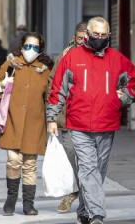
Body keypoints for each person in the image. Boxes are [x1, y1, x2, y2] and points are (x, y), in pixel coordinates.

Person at [46, 17, 135, 224]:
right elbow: (57, 90)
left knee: (98, 171)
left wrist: (123, 96)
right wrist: (52, 118)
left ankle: (83, 210)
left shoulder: (118, 59)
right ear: (87, 34)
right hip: (78, 125)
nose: (99, 38)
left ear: (109, 35)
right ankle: (97, 215)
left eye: (104, 35)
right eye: (96, 35)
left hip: (107, 125)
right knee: (88, 169)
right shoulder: (71, 58)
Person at [0, 33, 53, 216]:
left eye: (35, 47)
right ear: (22, 46)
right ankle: (11, 198)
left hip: (35, 123)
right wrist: (3, 84)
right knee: (14, 160)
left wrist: (53, 120)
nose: (31, 51)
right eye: (28, 46)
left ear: (40, 49)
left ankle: (28, 204)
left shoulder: (44, 69)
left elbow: (50, 97)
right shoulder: (11, 63)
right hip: (12, 121)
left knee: (30, 164)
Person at [52, 22, 88, 213]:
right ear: (75, 38)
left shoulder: (99, 56)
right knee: (70, 153)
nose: (83, 42)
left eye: (86, 39)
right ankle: (73, 190)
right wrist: (53, 116)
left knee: (89, 160)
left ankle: (87, 194)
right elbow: (53, 84)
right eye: (80, 38)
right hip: (69, 118)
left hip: (91, 118)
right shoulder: (64, 56)